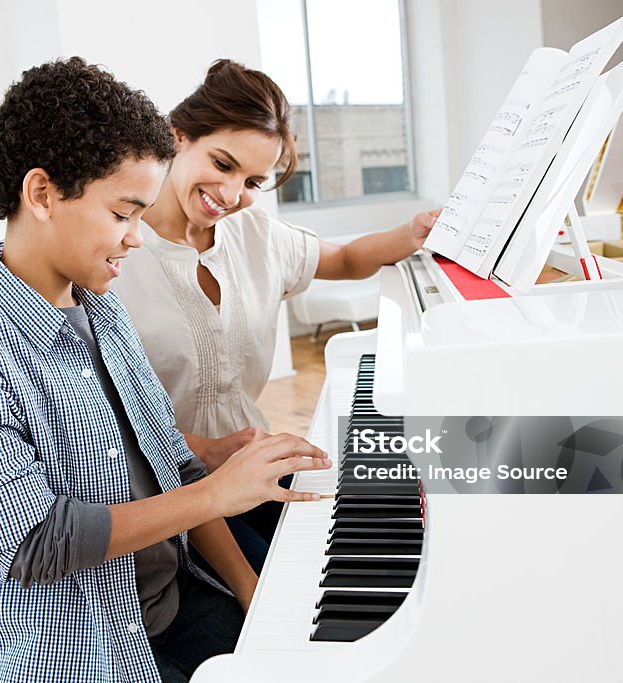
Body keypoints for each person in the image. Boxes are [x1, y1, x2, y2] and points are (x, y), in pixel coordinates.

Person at [0, 57, 329, 683]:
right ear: (42, 193)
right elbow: (34, 544)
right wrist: (217, 490)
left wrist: (251, 593)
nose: (135, 238)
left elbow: (173, 471)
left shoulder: (101, 307)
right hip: (71, 651)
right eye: (123, 213)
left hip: (168, 601)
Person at [113, 60, 440, 564]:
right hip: (159, 490)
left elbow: (349, 259)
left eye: (251, 181)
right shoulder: (114, 252)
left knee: (355, 544)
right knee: (273, 584)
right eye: (222, 165)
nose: (231, 195)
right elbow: (98, 416)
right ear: (177, 138)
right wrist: (202, 449)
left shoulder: (257, 235)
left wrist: (412, 233)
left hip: (252, 464)